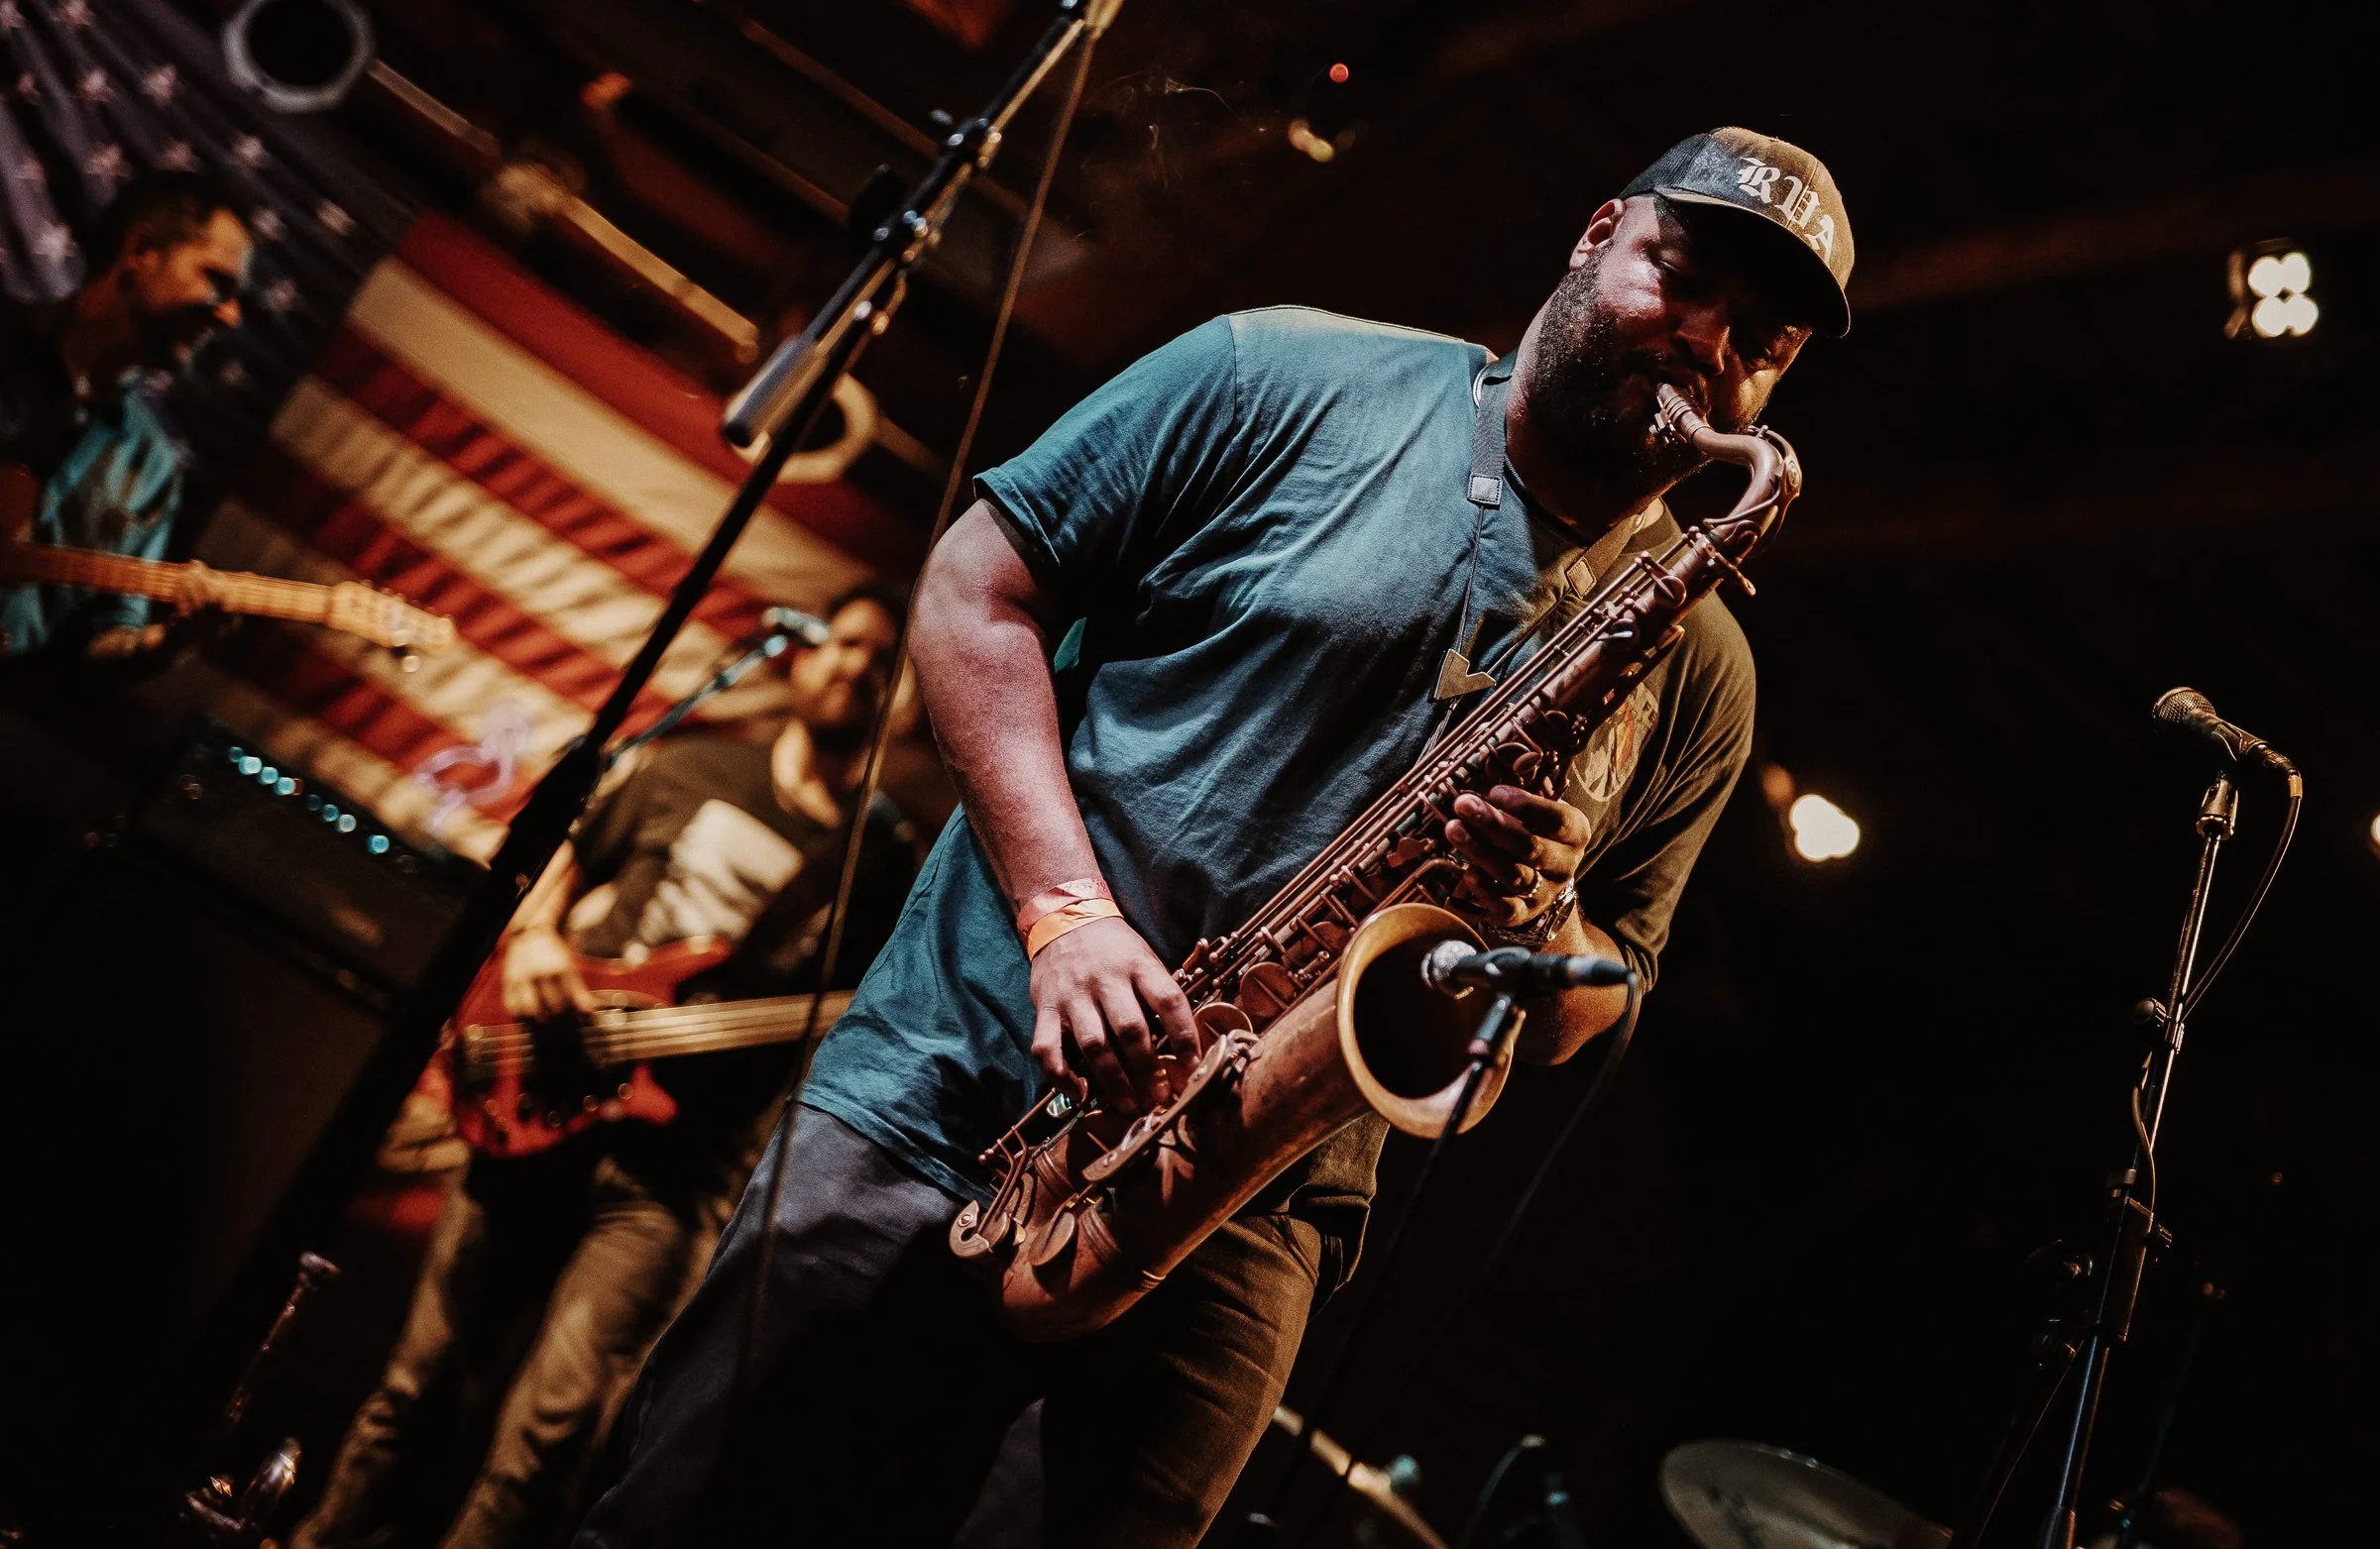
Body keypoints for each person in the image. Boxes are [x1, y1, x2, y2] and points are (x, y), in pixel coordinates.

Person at [576, 126, 1856, 1549]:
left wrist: (1542, 919)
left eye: (1763, 339)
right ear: (1596, 233)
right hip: (952, 1094)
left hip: (1250, 1214)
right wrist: (1068, 917)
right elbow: (968, 591)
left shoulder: (1705, 671)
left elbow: (1592, 1003)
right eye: (1679, 276)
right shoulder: (1280, 371)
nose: (1703, 346)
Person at [288, 587, 919, 1549]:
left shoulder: (887, 868)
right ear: (803, 656)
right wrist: (536, 939)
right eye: (847, 644)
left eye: (887, 662)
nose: (857, 669)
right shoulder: (694, 766)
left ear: (906, 702)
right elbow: (562, 861)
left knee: (546, 1442)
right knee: (419, 1387)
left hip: (676, 1172)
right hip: (539, 1088)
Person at [0, 169, 253, 658]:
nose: (230, 316)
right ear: (140, 252)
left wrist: (170, 641)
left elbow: (103, 637)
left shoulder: (152, 471)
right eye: (217, 281)